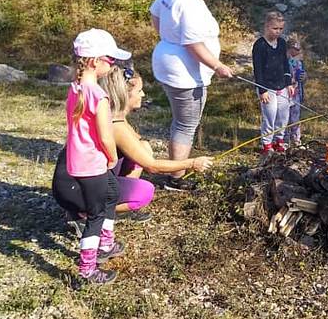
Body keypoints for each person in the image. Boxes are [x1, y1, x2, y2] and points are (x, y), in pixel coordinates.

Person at [52, 66, 214, 229]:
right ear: (125, 95)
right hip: (74, 188)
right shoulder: (116, 126)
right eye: (139, 91)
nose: (143, 95)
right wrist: (192, 163)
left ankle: (100, 202)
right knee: (144, 192)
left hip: (75, 180)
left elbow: (138, 145)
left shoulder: (113, 114)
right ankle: (85, 214)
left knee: (143, 148)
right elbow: (152, 167)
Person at [150, 0, 234, 192]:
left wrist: (167, 38)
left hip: (168, 64)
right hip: (184, 75)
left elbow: (154, 13)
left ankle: (174, 171)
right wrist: (218, 66)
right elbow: (193, 44)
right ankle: (176, 177)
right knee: (186, 125)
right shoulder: (191, 4)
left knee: (180, 122)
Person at [64, 28, 130, 285]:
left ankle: (107, 241)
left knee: (112, 193)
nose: (112, 66)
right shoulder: (99, 96)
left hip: (79, 163)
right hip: (93, 164)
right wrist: (112, 157)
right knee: (95, 216)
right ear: (94, 61)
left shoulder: (75, 89)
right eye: (110, 61)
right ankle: (88, 268)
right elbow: (105, 135)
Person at [252, 11, 294, 154]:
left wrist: (289, 83)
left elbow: (285, 63)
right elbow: (258, 70)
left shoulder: (282, 43)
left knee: (283, 116)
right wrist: (262, 90)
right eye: (275, 28)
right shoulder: (260, 45)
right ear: (267, 26)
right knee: (270, 116)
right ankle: (267, 144)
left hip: (282, 85)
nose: (278, 32)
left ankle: (279, 141)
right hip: (267, 87)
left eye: (281, 29)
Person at [286, 36, 307, 146]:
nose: (297, 51)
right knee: (284, 116)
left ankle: (295, 138)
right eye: (295, 48)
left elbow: (303, 76)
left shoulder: (300, 62)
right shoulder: (284, 60)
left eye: (298, 49)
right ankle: (284, 139)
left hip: (296, 92)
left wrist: (304, 76)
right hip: (285, 92)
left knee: (295, 116)